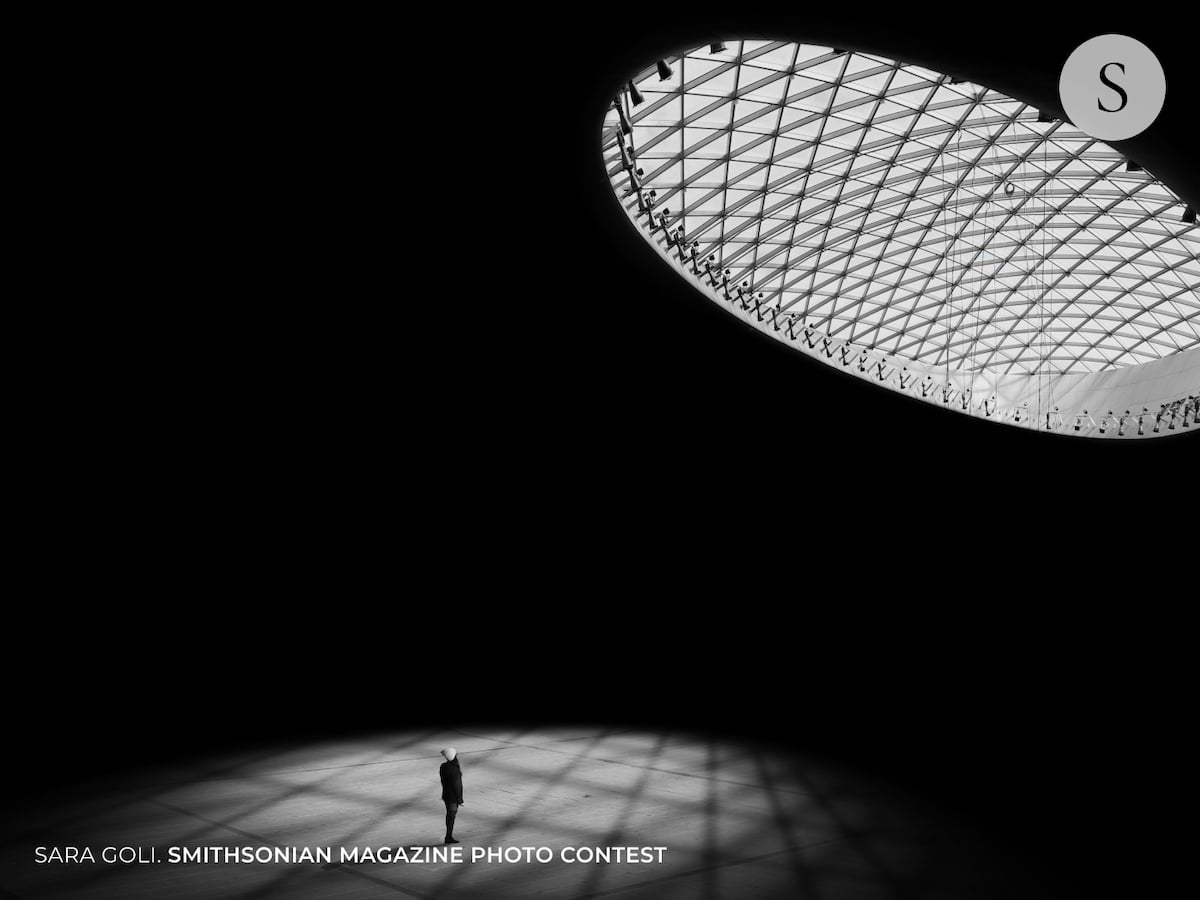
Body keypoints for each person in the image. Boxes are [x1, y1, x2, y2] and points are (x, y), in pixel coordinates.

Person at [439, 748, 464, 844]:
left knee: (449, 815)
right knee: (451, 816)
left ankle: (448, 835)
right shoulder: (454, 769)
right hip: (453, 797)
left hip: (446, 795)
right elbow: (457, 786)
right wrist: (460, 800)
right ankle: (448, 836)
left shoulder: (443, 767)